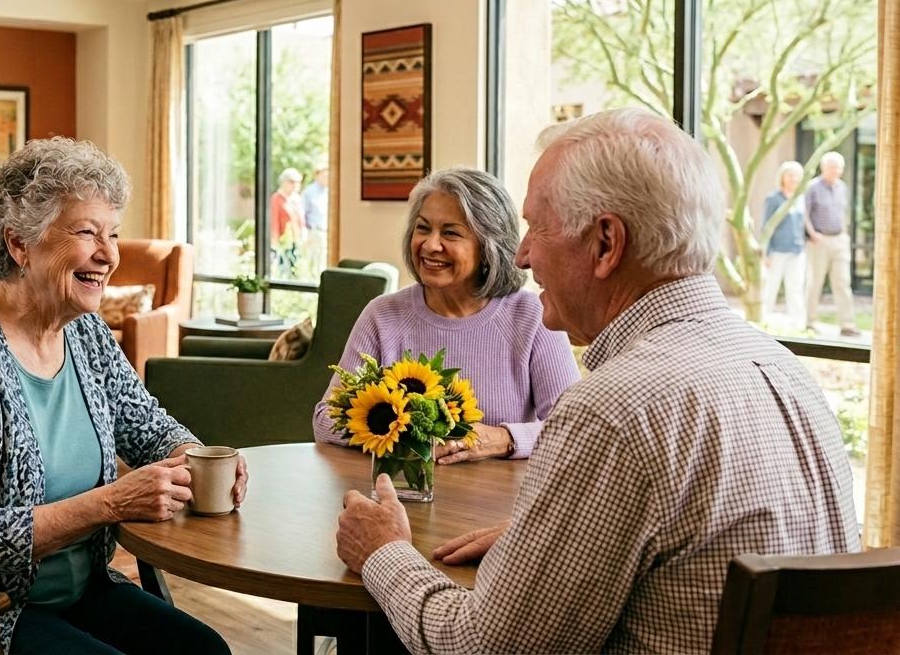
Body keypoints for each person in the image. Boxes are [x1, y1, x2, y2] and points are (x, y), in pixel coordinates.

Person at [335, 108, 858, 653]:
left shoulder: (613, 410)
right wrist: (542, 543)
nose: (522, 255)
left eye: (538, 226)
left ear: (606, 243)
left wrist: (383, 551)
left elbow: (479, 648)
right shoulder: (785, 370)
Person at [0, 138, 245, 655]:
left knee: (204, 651)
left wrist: (198, 457)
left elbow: (148, 426)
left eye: (113, 234)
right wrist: (110, 503)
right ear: (19, 244)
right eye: (87, 232)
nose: (109, 254)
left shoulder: (85, 333)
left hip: (68, 596)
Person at [312, 167, 579, 463]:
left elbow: (573, 429)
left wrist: (504, 439)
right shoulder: (382, 315)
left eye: (450, 233)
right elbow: (325, 419)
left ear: (489, 245)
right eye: (423, 228)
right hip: (401, 488)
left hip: (501, 492)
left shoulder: (532, 316)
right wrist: (413, 434)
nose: (430, 245)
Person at [804, 151, 859, 336]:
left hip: (839, 240)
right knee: (815, 281)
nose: (836, 171)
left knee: (843, 281)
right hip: (819, 241)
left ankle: (847, 325)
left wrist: (844, 233)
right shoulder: (813, 187)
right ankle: (810, 322)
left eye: (839, 168)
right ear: (824, 168)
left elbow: (843, 213)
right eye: (833, 167)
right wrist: (812, 233)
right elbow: (804, 213)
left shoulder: (842, 187)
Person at [760, 160, 807, 328]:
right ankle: (762, 320)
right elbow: (765, 227)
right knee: (770, 287)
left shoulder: (800, 198)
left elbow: (801, 224)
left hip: (796, 251)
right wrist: (766, 253)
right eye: (790, 175)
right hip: (777, 251)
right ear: (782, 177)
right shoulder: (773, 198)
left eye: (796, 176)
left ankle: (799, 324)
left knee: (795, 288)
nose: (793, 179)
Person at [269, 167, 304, 277]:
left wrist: (303, 232)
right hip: (283, 239)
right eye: (292, 182)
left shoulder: (296, 199)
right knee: (284, 266)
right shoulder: (276, 198)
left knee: (296, 266)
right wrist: (274, 238)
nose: (295, 185)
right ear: (284, 182)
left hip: (296, 238)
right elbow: (274, 220)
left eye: (297, 182)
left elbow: (300, 218)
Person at [301, 165, 329, 278]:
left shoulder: (328, 191)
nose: (327, 178)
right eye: (324, 175)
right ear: (317, 176)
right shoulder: (309, 192)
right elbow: (303, 213)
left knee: (322, 260)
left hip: (325, 231)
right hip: (314, 231)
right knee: (313, 260)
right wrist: (305, 232)